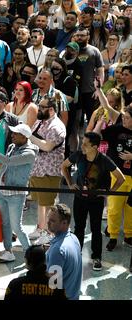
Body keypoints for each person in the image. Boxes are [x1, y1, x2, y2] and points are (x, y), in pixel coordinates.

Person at [61, 132, 125, 271]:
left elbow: (120, 178)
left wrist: (109, 192)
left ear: (95, 147)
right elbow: (64, 166)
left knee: (96, 230)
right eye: (82, 142)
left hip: (96, 201)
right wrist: (70, 183)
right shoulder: (78, 155)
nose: (82, 146)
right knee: (79, 228)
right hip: (79, 199)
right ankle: (76, 255)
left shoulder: (104, 160)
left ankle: (97, 257)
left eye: (85, 144)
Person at [0, 123, 38, 262]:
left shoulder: (29, 154)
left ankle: (30, 254)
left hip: (16, 195)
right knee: (6, 224)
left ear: (24, 137)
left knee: (16, 226)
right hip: (3, 192)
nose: (12, 135)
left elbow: (8, 161)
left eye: (15, 134)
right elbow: (4, 168)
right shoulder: (12, 147)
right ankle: (8, 251)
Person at [28, 97, 66, 245]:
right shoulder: (40, 122)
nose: (39, 109)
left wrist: (29, 136)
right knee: (40, 203)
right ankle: (41, 228)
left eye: (42, 107)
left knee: (50, 204)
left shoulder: (56, 127)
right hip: (38, 169)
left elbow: (47, 147)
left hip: (49, 172)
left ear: (51, 109)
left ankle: (50, 233)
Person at [101, 105, 132, 251]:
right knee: (114, 208)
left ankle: (128, 235)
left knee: (130, 208)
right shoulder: (116, 130)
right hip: (117, 176)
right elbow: (99, 135)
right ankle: (113, 236)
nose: (124, 120)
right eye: (124, 117)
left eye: (127, 117)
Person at [46, 203, 82, 300]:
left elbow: (53, 286)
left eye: (52, 220)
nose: (48, 223)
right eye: (48, 219)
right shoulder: (74, 238)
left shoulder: (57, 250)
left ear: (64, 223)